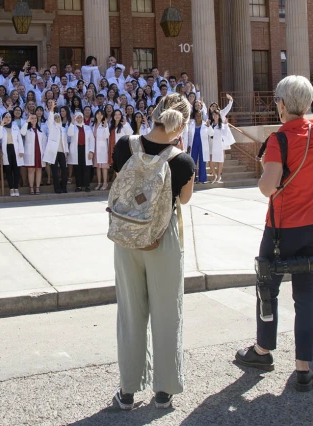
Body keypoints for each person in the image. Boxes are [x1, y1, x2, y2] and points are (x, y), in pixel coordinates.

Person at [234, 75, 313, 392]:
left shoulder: (278, 140)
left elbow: (267, 187)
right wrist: (307, 114)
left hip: (283, 230)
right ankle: (303, 369)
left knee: (268, 289)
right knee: (305, 295)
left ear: (281, 104)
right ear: (308, 104)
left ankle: (263, 351)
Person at [110, 93, 195, 410]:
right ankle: (164, 390)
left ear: (154, 113)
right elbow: (184, 201)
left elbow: (123, 187)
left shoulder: (124, 146)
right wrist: (178, 153)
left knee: (131, 313)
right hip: (163, 238)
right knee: (167, 312)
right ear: (181, 124)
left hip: (127, 236)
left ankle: (128, 391)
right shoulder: (181, 160)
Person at [43, 100, 69, 194]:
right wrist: (51, 109)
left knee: (64, 171)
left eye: (58, 117)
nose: (57, 118)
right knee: (54, 171)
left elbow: (65, 141)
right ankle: (57, 188)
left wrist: (66, 152)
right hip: (53, 152)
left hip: (62, 152)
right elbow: (50, 119)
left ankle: (64, 187)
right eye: (56, 117)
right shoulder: (51, 127)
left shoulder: (63, 128)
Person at [0, 112, 25, 197]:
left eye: (9, 117)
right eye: (6, 117)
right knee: (8, 170)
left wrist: (21, 150)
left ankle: (16, 187)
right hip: (7, 150)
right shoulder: (1, 128)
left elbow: (19, 139)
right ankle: (11, 188)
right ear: (3, 118)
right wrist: (1, 125)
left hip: (15, 149)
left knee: (16, 170)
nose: (8, 118)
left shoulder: (15, 127)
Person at [67, 111, 95, 192]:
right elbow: (69, 134)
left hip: (86, 149)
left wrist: (91, 151)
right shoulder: (72, 127)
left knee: (86, 168)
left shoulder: (87, 127)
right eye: (77, 118)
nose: (79, 119)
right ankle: (78, 186)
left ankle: (87, 185)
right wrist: (72, 123)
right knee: (77, 168)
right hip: (76, 149)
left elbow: (91, 140)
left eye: (80, 117)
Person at [21, 113, 47, 195]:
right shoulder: (27, 130)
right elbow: (22, 132)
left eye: (35, 118)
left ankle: (38, 187)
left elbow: (44, 142)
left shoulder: (41, 131)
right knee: (31, 170)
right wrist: (26, 122)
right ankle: (31, 188)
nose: (34, 120)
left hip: (39, 152)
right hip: (30, 152)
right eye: (32, 118)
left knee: (39, 170)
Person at [92, 109, 110, 191]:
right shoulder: (93, 125)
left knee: (104, 167)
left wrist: (106, 127)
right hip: (95, 148)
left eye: (101, 114)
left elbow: (107, 136)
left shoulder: (104, 125)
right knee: (98, 167)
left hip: (103, 149)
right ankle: (99, 183)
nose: (99, 115)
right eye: (98, 114)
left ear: (103, 116)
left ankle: (105, 183)